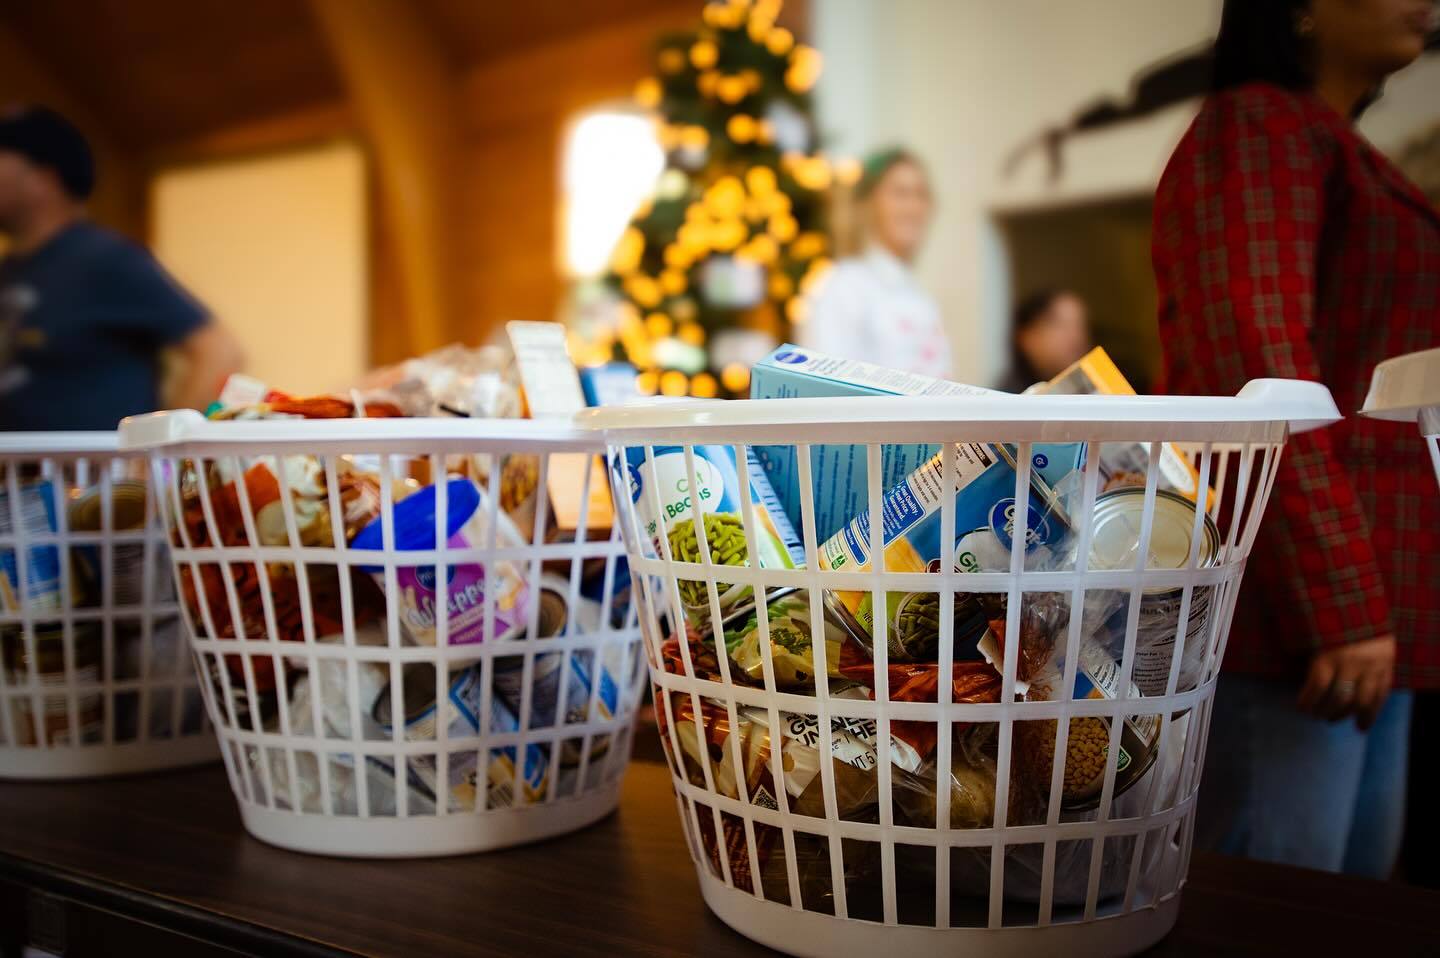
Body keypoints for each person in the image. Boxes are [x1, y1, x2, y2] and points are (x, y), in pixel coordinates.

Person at [1152, 0, 1438, 878]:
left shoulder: (1328, 143)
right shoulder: (1260, 126)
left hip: (1371, 606)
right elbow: (1261, 379)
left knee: (1352, 904)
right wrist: (1341, 602)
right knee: (1284, 906)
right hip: (1304, 616)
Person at [0, 106, 242, 431]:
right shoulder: (12, 269)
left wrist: (161, 450)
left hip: (93, 464)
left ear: (43, 178)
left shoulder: (104, 259)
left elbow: (218, 351)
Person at [800, 148, 950, 377]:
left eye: (921, 194)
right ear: (869, 203)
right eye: (900, 193)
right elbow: (823, 383)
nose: (913, 207)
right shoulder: (843, 287)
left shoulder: (918, 294)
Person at [997, 287, 1092, 392]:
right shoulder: (1007, 397)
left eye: (1080, 325)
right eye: (1059, 325)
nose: (1076, 336)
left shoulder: (1093, 392)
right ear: (1027, 336)